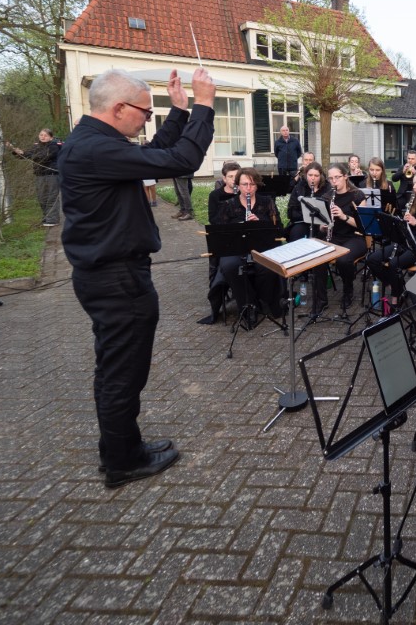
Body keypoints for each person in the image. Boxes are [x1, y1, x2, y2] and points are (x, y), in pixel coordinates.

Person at [58, 67, 215, 488]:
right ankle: (123, 461)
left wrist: (178, 111)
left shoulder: (99, 145)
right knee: (122, 374)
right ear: (119, 108)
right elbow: (181, 160)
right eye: (146, 113)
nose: (148, 120)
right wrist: (204, 104)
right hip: (116, 279)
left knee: (117, 370)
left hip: (111, 275)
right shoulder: (94, 150)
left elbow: (156, 159)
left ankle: (120, 449)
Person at [213, 167, 286, 325]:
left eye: (252, 184)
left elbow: (279, 229)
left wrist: (259, 224)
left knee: (266, 267)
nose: (248, 188)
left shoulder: (266, 202)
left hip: (262, 246)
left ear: (257, 186)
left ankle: (262, 299)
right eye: (244, 184)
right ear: (237, 185)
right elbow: (219, 231)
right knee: (231, 267)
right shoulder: (228, 205)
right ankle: (248, 306)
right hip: (235, 247)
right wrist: (240, 226)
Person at [366, 169, 416, 306]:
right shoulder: (414, 201)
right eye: (414, 183)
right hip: (407, 241)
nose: (413, 187)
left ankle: (396, 299)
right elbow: (406, 227)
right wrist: (401, 223)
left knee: (393, 265)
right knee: (372, 259)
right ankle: (397, 287)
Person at [310, 163, 366, 313]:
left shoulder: (358, 195)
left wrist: (343, 216)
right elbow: (320, 225)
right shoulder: (326, 197)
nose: (334, 181)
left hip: (354, 237)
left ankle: (348, 290)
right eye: (331, 179)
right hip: (333, 236)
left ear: (345, 177)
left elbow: (363, 226)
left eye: (337, 177)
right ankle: (321, 299)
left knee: (343, 260)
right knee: (317, 258)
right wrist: (324, 225)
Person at [199, 161, 241, 325]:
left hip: (240, 236)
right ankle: (217, 296)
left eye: (236, 176)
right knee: (219, 261)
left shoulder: (242, 194)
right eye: (230, 177)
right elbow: (213, 219)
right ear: (224, 178)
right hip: (222, 237)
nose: (233, 180)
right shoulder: (215, 196)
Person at [10, 127, 61, 226]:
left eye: (45, 135)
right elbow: (26, 155)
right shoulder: (35, 147)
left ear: (51, 137)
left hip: (52, 175)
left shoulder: (54, 146)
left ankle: (52, 219)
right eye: (41, 135)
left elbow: (45, 157)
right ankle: (46, 217)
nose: (43, 137)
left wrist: (31, 156)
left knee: (52, 197)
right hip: (39, 175)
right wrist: (17, 152)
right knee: (42, 197)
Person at [287, 161, 332, 241]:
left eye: (316, 175)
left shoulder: (327, 188)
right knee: (296, 233)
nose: (313, 178)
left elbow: (330, 208)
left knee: (323, 235)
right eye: (310, 175)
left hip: (321, 223)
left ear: (321, 176)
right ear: (306, 175)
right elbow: (291, 211)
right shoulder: (299, 188)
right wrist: (306, 216)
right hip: (303, 222)